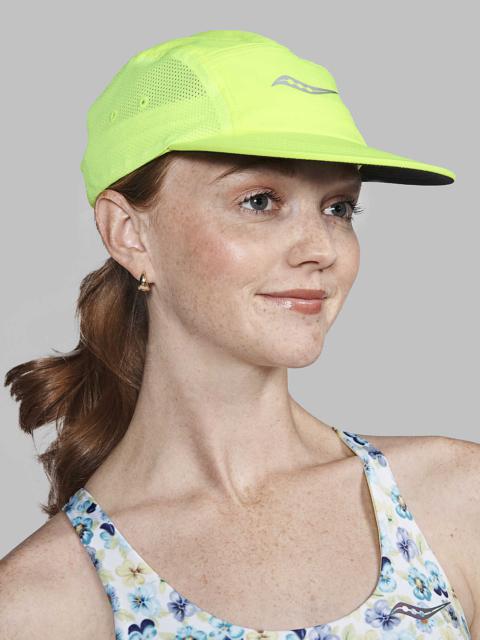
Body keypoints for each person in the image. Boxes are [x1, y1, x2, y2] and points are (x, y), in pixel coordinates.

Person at [1, 29, 477, 640]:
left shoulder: (457, 501)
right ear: (129, 233)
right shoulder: (41, 604)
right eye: (259, 201)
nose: (321, 249)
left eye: (338, 207)